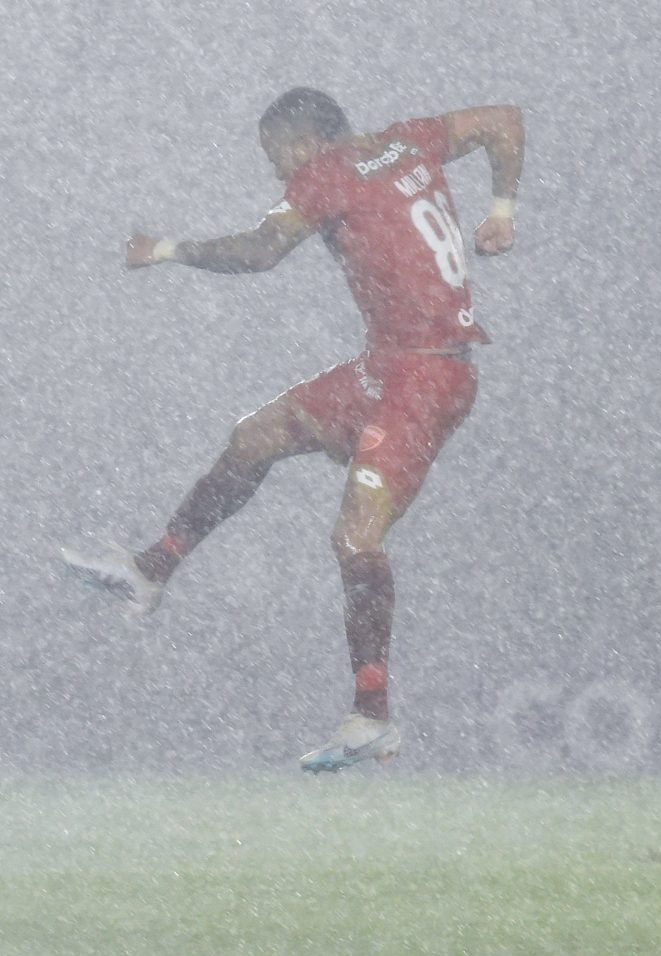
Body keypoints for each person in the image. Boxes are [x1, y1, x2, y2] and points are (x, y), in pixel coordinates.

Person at [62, 88, 524, 772]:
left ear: (304, 143)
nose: (278, 174)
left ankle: (371, 717)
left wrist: (168, 249)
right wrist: (503, 211)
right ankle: (151, 569)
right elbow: (503, 122)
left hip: (424, 379)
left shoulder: (326, 174)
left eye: (276, 156)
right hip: (389, 367)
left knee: (355, 536)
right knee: (255, 436)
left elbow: (260, 250)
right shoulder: (408, 140)